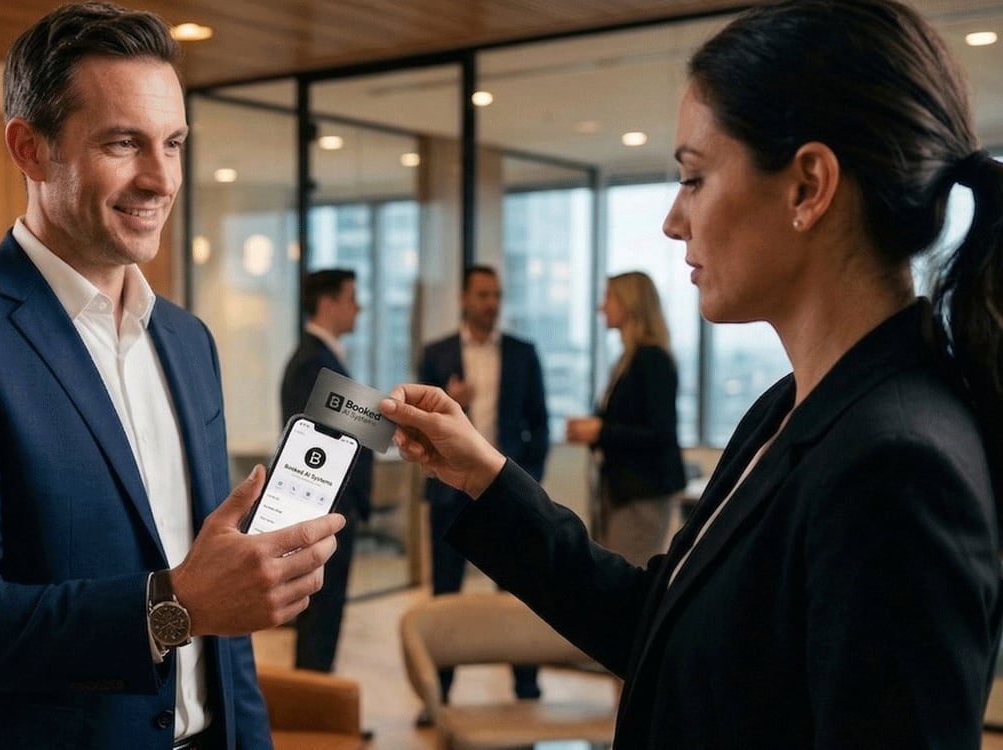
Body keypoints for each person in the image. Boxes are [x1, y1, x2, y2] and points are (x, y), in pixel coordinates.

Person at [382, 0, 1003, 746]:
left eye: (694, 178)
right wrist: (485, 476)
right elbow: (659, 625)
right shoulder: (795, 405)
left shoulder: (896, 463)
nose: (673, 221)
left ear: (808, 186)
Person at [0, 4, 343, 749]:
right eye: (124, 142)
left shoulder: (188, 340)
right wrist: (173, 605)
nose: (159, 178)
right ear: (29, 148)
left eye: (173, 144)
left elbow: (222, 615)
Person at [416, 264, 548, 717]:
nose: (491, 303)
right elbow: (417, 428)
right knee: (445, 594)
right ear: (464, 298)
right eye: (483, 295)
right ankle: (440, 695)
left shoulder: (523, 353)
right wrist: (454, 404)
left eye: (497, 295)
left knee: (520, 588)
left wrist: (527, 480)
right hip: (449, 494)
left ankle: (527, 686)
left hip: (508, 493)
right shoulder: (436, 354)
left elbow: (540, 425)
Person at [279, 269, 373, 673]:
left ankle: (320, 703)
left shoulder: (324, 359)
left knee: (326, 615)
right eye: (351, 298)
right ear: (327, 303)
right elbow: (322, 441)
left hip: (333, 510)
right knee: (320, 615)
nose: (359, 307)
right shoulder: (313, 363)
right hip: (326, 511)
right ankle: (315, 710)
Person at [566, 272, 686, 566]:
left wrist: (600, 432)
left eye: (609, 298)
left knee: (629, 575)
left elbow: (661, 433)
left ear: (629, 304)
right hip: (622, 491)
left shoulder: (651, 359)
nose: (601, 307)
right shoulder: (628, 358)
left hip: (641, 494)